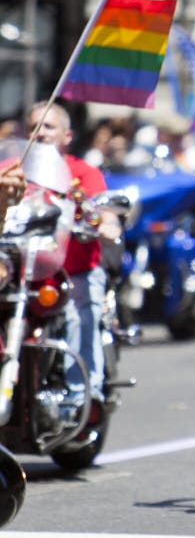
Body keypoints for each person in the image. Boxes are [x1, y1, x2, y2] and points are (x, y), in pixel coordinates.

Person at [27, 102, 121, 415]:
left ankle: (81, 400)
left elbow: (105, 213)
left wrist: (106, 223)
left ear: (67, 136)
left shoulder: (82, 172)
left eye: (48, 127)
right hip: (23, 272)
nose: (38, 134)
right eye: (32, 128)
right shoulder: (13, 169)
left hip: (73, 271)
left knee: (80, 311)